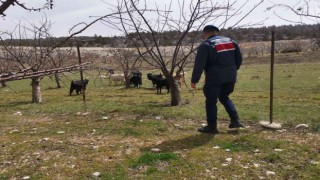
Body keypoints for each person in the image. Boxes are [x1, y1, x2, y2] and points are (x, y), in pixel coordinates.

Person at [191, 25, 244, 134]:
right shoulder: (231, 42)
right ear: (216, 32)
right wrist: (232, 70)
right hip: (230, 76)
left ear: (205, 33)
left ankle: (212, 127)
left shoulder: (206, 45)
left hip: (214, 77)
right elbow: (239, 60)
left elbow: (199, 65)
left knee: (211, 101)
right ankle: (235, 120)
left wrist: (194, 80)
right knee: (224, 97)